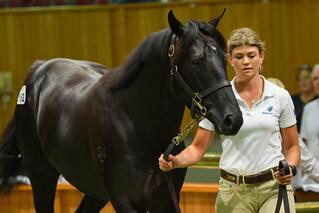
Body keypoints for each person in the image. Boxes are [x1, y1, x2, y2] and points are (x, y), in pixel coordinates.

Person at [159, 27, 300, 212]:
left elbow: (292, 147)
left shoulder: (280, 96)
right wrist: (175, 161)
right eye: (239, 56)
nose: (246, 62)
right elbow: (197, 148)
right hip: (233, 192)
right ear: (230, 59)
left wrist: (290, 168)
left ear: (261, 56)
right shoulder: (217, 100)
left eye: (251, 55)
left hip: (274, 188)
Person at [296, 64, 319, 196]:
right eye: (315, 79)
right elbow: (303, 143)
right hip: (311, 181)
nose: (317, 82)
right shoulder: (308, 108)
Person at [291, 64, 317, 132]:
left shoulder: (317, 100)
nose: (303, 81)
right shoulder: (292, 100)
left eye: (306, 77)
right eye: (300, 79)